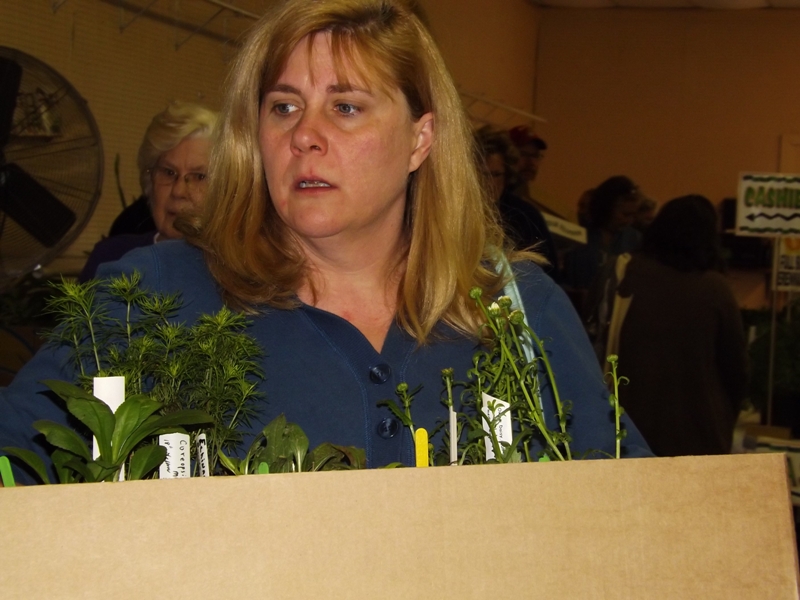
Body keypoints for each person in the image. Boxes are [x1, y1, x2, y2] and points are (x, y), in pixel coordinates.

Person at [0, 0, 650, 485]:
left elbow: (630, 510)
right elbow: (18, 458)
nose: (304, 135)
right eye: (283, 107)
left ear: (420, 139)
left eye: (345, 106)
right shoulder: (154, 296)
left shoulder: (515, 310)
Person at [615, 195, 748, 456]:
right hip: (699, 430)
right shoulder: (715, 289)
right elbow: (736, 369)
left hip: (630, 425)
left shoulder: (625, 275)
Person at [78, 102, 218, 281]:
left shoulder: (234, 275)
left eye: (199, 176)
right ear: (150, 181)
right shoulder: (110, 257)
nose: (178, 191)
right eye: (168, 172)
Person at [474, 127, 559, 276]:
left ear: (507, 175)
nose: (488, 183)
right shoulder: (452, 210)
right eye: (482, 174)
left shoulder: (525, 216)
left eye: (496, 175)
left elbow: (549, 271)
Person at [562, 175, 643, 300]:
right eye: (625, 214)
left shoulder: (634, 240)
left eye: (633, 215)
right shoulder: (580, 235)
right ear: (607, 208)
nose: (629, 221)